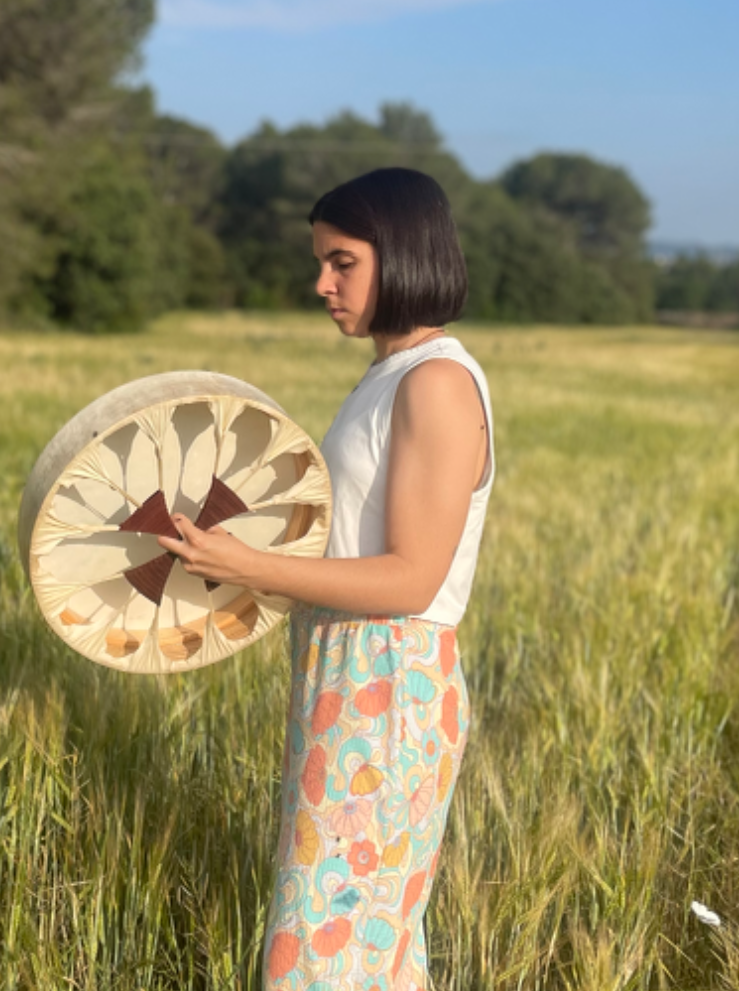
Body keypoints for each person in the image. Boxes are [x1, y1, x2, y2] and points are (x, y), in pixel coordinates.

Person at [159, 167, 493, 990]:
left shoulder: (436, 383)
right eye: (321, 261)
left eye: (342, 262)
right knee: (353, 949)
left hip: (388, 679)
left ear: (403, 254)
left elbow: (413, 579)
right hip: (348, 674)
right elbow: (350, 543)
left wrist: (248, 565)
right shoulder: (391, 375)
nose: (321, 284)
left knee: (323, 952)